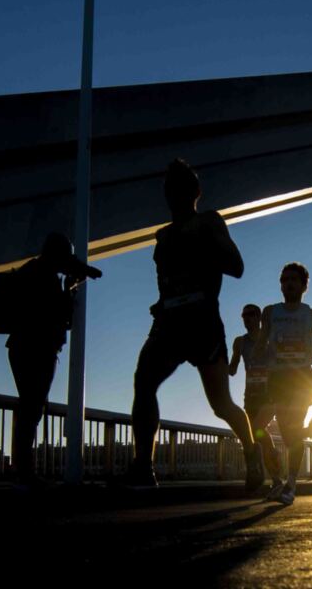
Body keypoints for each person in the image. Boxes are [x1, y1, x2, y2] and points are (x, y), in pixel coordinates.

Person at [131, 159, 263, 490]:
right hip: (169, 323)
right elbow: (167, 280)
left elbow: (236, 267)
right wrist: (162, 302)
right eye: (169, 189)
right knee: (143, 382)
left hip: (203, 322)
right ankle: (143, 467)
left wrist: (201, 243)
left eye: (181, 189)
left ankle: (252, 452)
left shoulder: (209, 221)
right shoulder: (162, 236)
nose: (173, 195)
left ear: (195, 192)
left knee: (220, 405)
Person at [6, 232, 102, 485]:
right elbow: (56, 315)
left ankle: (23, 469)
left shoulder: (32, 271)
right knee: (32, 408)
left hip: (22, 347)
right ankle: (25, 472)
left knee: (29, 406)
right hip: (37, 349)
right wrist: (68, 292)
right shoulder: (44, 277)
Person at [255, 262, 312, 505]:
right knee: (288, 435)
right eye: (284, 280)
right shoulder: (270, 312)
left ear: (304, 286)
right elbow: (261, 342)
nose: (288, 284)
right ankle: (311, 432)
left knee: (293, 429)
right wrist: (260, 352)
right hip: (277, 378)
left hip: (302, 377)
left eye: (294, 279)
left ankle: (291, 486)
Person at [229, 304, 283, 493]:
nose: (247, 318)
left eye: (251, 315)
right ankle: (276, 478)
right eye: (244, 315)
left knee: (256, 430)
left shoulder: (270, 338)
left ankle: (260, 470)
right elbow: (233, 369)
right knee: (259, 435)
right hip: (250, 397)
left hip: (269, 395)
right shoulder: (239, 342)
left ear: (259, 318)